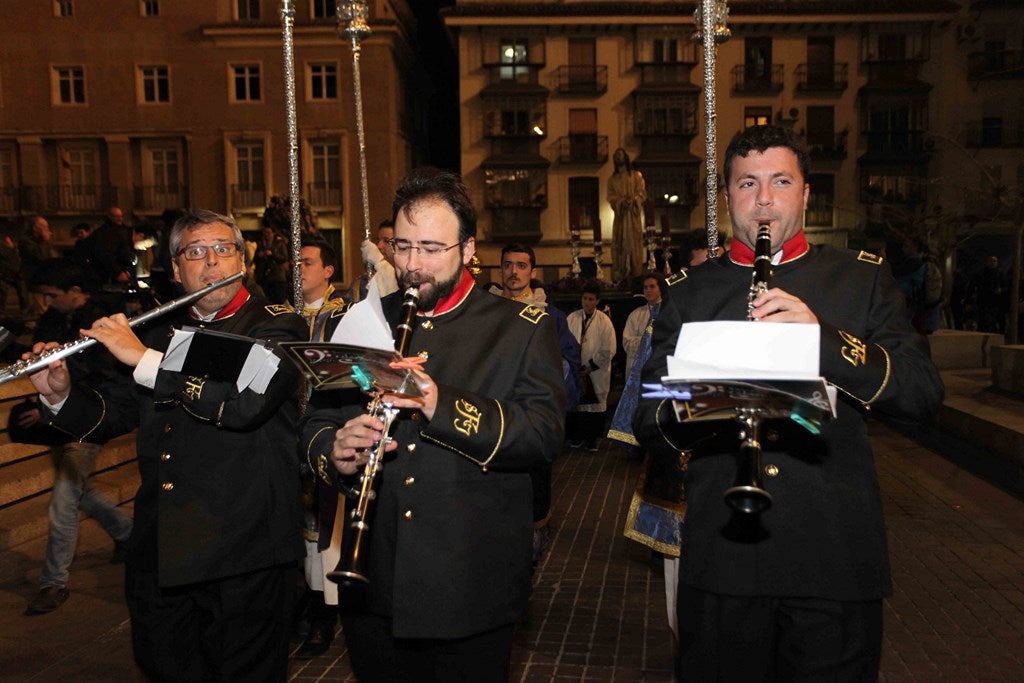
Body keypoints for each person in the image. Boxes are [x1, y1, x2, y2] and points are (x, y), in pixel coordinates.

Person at [634, 125, 943, 680]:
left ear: (805, 193)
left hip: (835, 562)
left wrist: (821, 340)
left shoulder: (861, 279)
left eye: (781, 181)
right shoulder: (689, 292)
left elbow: (920, 394)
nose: (765, 200)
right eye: (747, 183)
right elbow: (649, 417)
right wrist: (718, 392)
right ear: (727, 197)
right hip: (725, 564)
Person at [302, 167, 566, 680]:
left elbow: (542, 434)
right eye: (402, 247)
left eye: (430, 248)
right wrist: (335, 450)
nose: (412, 266)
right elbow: (315, 420)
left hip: (469, 584)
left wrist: (438, 403)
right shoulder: (361, 319)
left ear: (468, 249)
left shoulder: (520, 329)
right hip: (372, 576)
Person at [26, 209, 309, 681]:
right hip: (162, 550)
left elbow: (242, 406)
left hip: (246, 550)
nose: (212, 261)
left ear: (242, 259)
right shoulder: (159, 330)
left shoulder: (277, 326)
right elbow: (111, 413)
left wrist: (141, 358)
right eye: (195, 252)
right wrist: (58, 395)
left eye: (224, 248)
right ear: (176, 269)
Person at [19, 259, 133, 616]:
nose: (47, 303)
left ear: (75, 293)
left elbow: (107, 375)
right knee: (79, 489)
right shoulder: (53, 319)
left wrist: (62, 393)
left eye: (53, 295)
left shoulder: (106, 322)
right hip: (58, 420)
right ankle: (128, 533)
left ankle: (53, 582)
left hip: (94, 416)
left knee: (64, 497)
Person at [496, 242, 582, 562]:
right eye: (507, 265)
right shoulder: (488, 311)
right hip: (497, 419)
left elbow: (570, 360)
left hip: (532, 421)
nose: (514, 272)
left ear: (533, 272)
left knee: (533, 495)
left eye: (521, 266)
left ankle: (526, 565)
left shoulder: (551, 316)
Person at [294, 235, 349, 659]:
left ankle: (324, 614)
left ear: (328, 271)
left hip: (324, 429)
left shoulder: (344, 315)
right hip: (282, 432)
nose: (299, 269)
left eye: (308, 262)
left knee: (323, 529)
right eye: (296, 262)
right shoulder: (280, 314)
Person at [566, 283, 616, 451]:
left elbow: (609, 348)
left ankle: (592, 439)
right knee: (577, 405)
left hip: (595, 371)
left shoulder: (604, 321)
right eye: (584, 298)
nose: (587, 302)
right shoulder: (572, 318)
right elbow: (564, 342)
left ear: (597, 301)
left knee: (594, 405)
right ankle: (577, 437)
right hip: (575, 369)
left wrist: (591, 366)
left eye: (591, 299)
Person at [608, 147, 646, 283]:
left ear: (625, 157)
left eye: (621, 155)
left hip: (633, 217)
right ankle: (621, 274)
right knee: (620, 243)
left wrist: (634, 200)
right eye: (616, 155)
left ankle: (635, 273)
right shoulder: (612, 179)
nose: (619, 157)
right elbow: (611, 197)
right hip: (621, 216)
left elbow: (641, 192)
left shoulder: (636, 176)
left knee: (634, 244)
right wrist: (621, 201)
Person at [622, 273, 663, 378]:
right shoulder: (636, 314)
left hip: (660, 369)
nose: (648, 290)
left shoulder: (668, 312)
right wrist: (648, 340)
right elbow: (626, 342)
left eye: (652, 286)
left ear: (660, 289)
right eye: (645, 287)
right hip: (638, 370)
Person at [19, 215, 60, 318]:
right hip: (36, 281)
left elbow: (52, 257)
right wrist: (44, 240)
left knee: (51, 308)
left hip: (47, 281)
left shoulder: (41, 242)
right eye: (45, 227)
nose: (47, 230)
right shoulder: (26, 241)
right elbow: (41, 257)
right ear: (36, 228)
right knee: (42, 310)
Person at [353, 218, 400, 300]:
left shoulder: (407, 276)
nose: (379, 246)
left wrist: (379, 261)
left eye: (386, 241)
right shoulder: (364, 282)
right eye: (378, 240)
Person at [971, 255, 1008, 334]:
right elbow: (973, 285)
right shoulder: (981, 273)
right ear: (987, 262)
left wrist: (1000, 290)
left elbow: (1005, 286)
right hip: (984, 300)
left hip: (995, 301)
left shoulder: (1000, 274)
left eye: (994, 261)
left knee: (992, 321)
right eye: (991, 261)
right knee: (983, 321)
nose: (993, 263)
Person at [254, 224, 291, 304]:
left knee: (280, 300)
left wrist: (272, 254)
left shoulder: (279, 244)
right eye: (265, 233)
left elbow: (284, 258)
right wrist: (260, 255)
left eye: (268, 233)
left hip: (277, 276)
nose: (266, 235)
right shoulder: (261, 243)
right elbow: (255, 259)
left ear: (273, 233)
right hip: (265, 277)